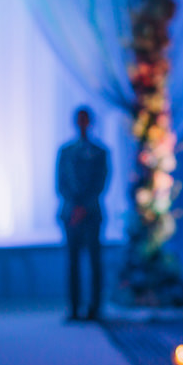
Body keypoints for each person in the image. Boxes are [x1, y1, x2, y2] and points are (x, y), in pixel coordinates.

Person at [56, 106, 110, 321]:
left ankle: (95, 308)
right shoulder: (66, 151)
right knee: (72, 262)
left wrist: (84, 206)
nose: (82, 123)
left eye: (85, 119)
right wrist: (74, 206)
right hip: (71, 214)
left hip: (92, 214)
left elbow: (101, 183)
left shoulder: (100, 152)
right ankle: (74, 308)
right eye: (79, 119)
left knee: (95, 262)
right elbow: (60, 183)